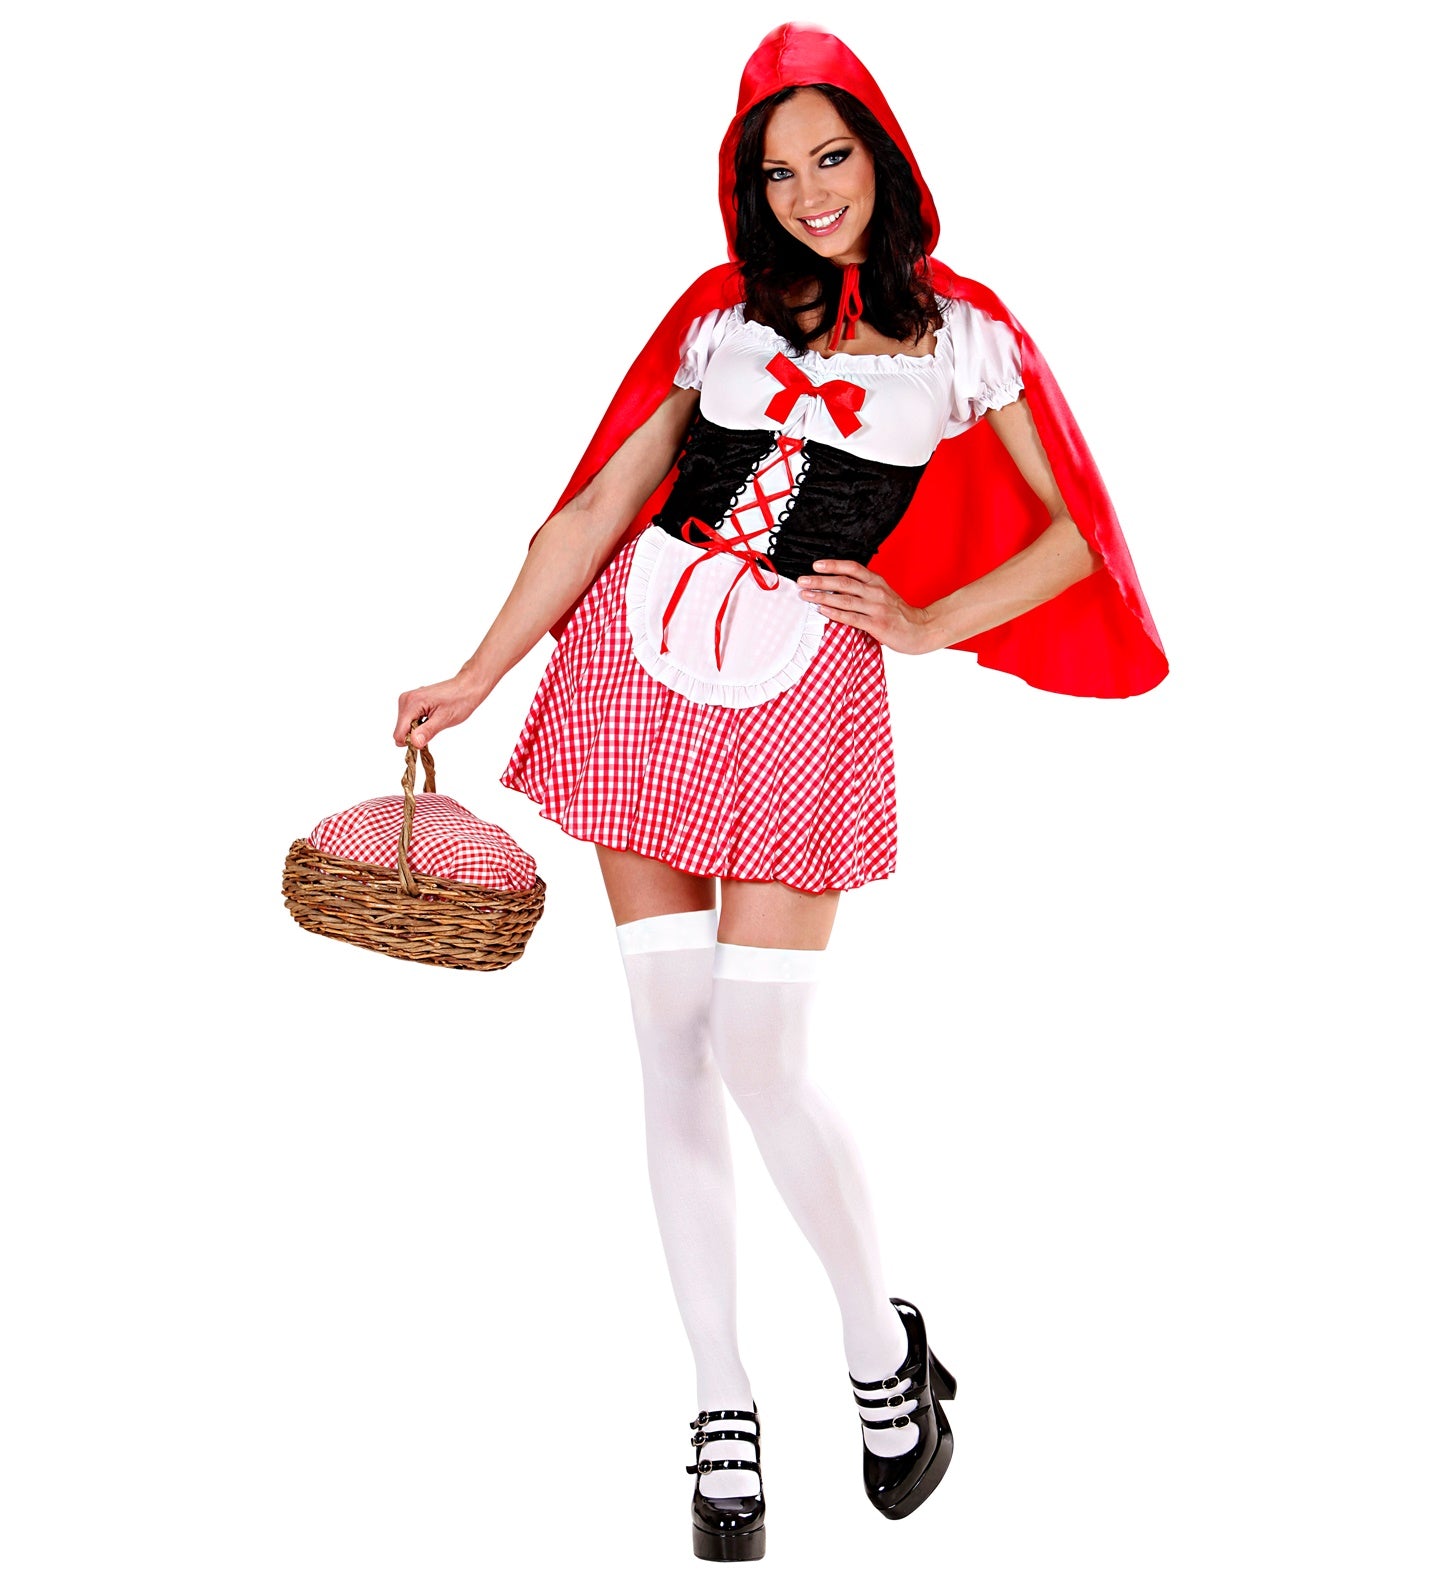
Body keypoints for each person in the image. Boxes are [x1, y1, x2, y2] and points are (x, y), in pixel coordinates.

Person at [393, 22, 1166, 1562]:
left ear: (884, 157)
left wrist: (935, 617)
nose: (812, 190)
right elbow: (607, 494)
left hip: (799, 692)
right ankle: (719, 1400)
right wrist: (479, 671)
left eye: (834, 154)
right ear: (748, 190)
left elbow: (1076, 529)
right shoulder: (720, 318)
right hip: (637, 656)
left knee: (758, 1045)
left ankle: (878, 1341)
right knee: (668, 1044)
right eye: (779, 168)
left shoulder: (965, 339)